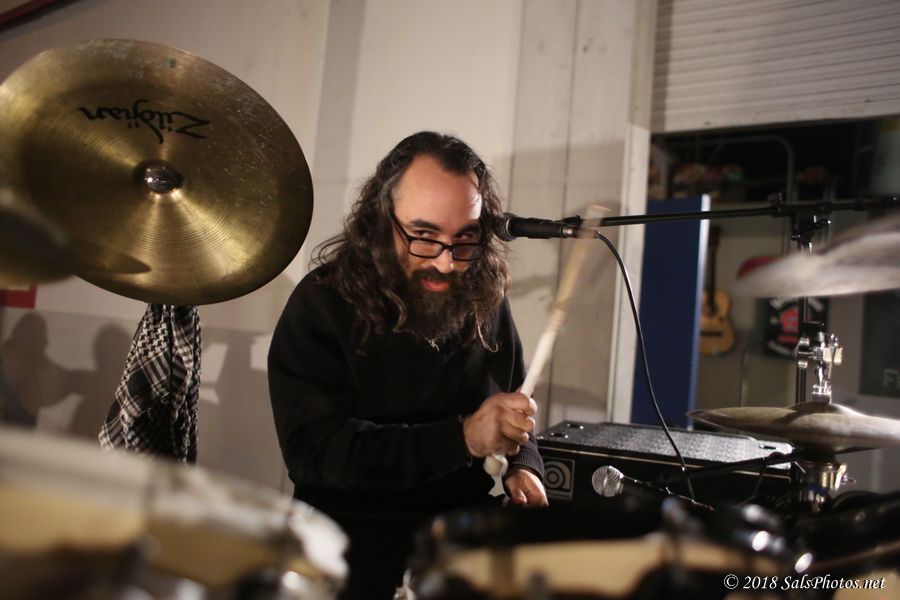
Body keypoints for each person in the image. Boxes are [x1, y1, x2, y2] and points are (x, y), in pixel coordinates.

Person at [268, 131, 547, 600]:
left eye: (465, 239)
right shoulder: (322, 303)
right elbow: (316, 454)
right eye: (424, 236)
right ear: (382, 220)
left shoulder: (482, 297)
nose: (446, 262)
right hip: (346, 552)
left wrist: (525, 463)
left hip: (456, 548)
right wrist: (462, 438)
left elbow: (512, 406)